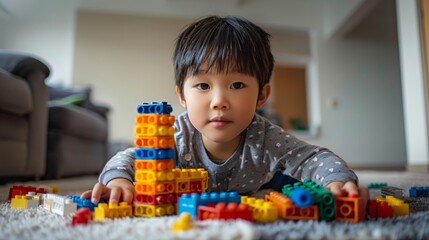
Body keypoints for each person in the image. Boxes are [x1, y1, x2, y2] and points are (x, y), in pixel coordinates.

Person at [81, 15, 359, 205]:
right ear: (182, 96)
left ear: (262, 95)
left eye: (237, 84)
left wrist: (338, 180)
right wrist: (119, 180)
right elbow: (129, 158)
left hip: (264, 178)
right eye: (202, 86)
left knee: (287, 183)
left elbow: (313, 157)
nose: (219, 101)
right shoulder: (176, 135)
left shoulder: (266, 138)